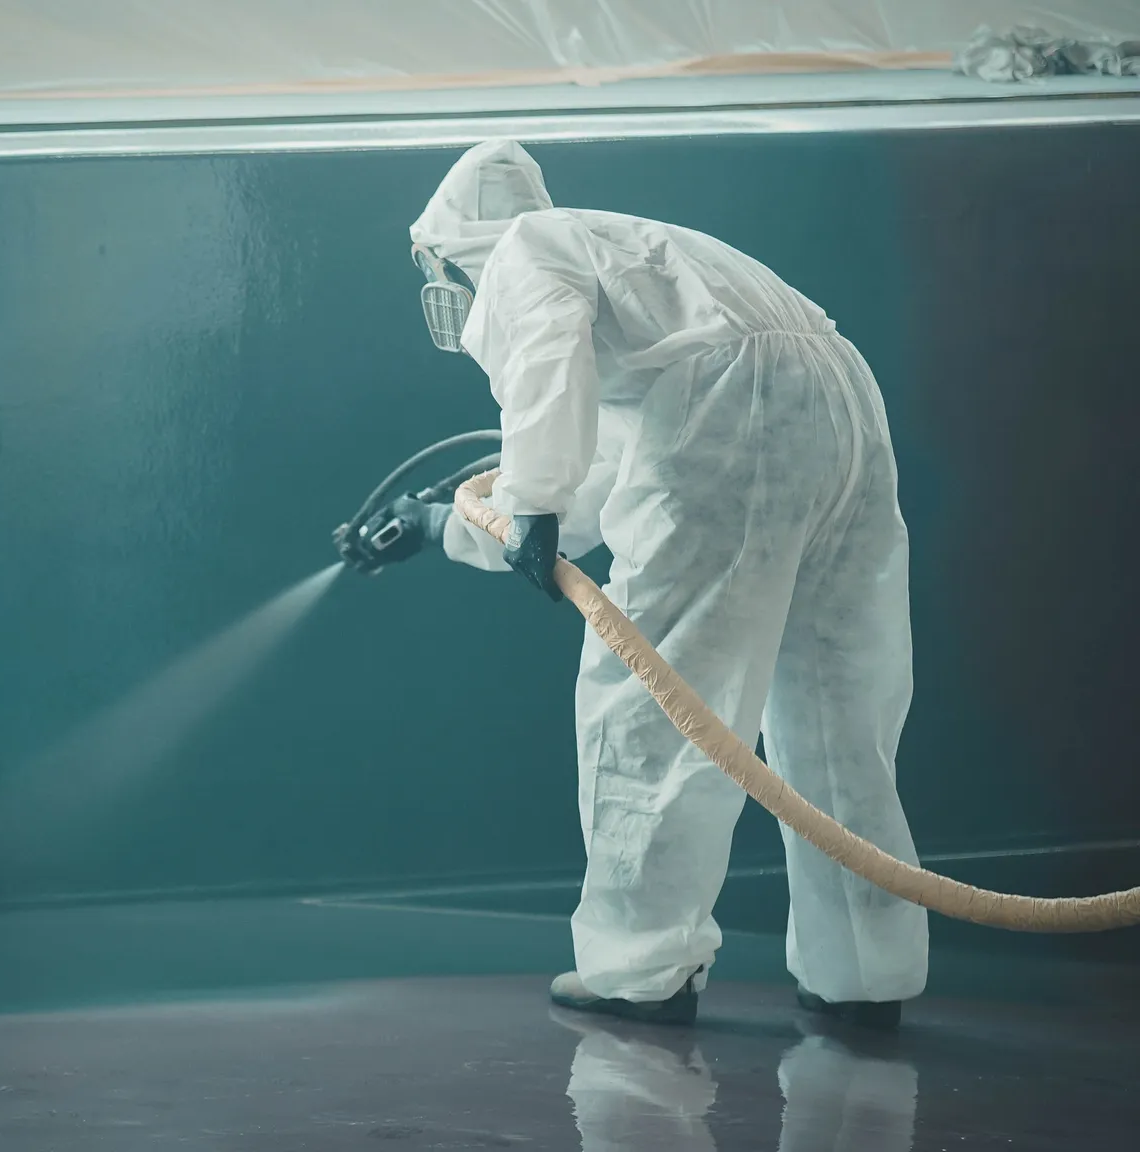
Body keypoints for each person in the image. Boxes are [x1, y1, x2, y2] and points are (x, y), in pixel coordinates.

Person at [368, 139, 928, 1029]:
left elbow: (549, 386)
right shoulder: (647, 266)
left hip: (736, 420)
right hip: (838, 401)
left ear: (455, 248)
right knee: (836, 713)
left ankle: (640, 969)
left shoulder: (527, 248)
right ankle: (864, 975)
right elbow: (617, 477)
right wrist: (450, 527)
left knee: (652, 702)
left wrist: (532, 499)